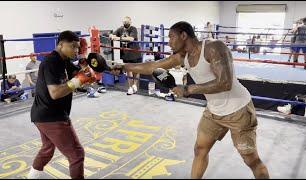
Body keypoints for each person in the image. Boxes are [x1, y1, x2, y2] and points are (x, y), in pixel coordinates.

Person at [112, 21, 269, 179]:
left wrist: (187, 89)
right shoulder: (182, 56)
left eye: (171, 37)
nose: (169, 42)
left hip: (238, 110)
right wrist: (124, 66)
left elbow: (225, 83)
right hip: (214, 111)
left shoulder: (213, 48)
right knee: (200, 150)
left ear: (184, 35)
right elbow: (153, 66)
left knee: (251, 160)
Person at [27, 30, 96, 179]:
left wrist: (90, 71)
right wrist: (79, 80)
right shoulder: (52, 62)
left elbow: (79, 73)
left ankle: (32, 176)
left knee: (47, 148)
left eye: (78, 47)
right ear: (60, 44)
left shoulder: (63, 60)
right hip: (51, 116)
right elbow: (55, 92)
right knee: (77, 154)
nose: (76, 50)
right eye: (73, 46)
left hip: (41, 114)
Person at [109, 16, 142, 95]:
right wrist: (112, 36)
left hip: (135, 53)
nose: (125, 23)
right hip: (125, 54)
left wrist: (118, 38)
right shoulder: (120, 29)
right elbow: (111, 35)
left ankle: (134, 85)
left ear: (130, 22)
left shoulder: (133, 29)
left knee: (136, 70)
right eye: (124, 22)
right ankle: (130, 87)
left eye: (127, 22)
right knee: (128, 71)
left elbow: (131, 39)